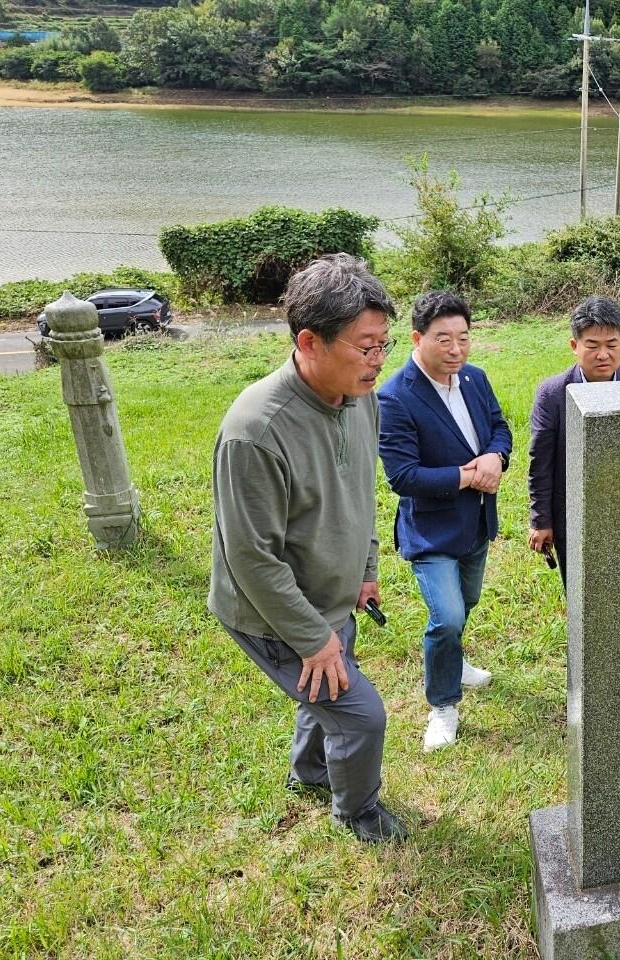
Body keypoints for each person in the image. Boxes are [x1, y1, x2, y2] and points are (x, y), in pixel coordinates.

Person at [209, 254, 406, 845]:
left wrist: (365, 570)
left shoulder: (360, 397)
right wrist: (315, 638)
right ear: (309, 341)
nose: (378, 362)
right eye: (365, 347)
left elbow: (361, 491)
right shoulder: (256, 430)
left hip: (332, 592)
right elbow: (251, 559)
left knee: (325, 689)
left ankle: (310, 771)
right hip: (270, 611)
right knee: (361, 715)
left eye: (384, 346)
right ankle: (357, 813)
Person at [377, 290, 512, 753]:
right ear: (418, 338)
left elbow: (499, 426)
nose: (456, 350)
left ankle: (453, 662)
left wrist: (496, 455)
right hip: (431, 529)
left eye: (463, 338)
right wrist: (467, 476)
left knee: (467, 601)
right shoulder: (395, 397)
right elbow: (403, 475)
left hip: (475, 523)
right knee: (447, 614)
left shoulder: (474, 379)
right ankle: (442, 704)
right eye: (443, 340)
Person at [527, 295, 620, 583]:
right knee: (579, 587)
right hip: (571, 510)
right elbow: (540, 462)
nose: (603, 354)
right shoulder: (553, 394)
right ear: (575, 346)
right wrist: (541, 520)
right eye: (592, 346)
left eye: (611, 345)